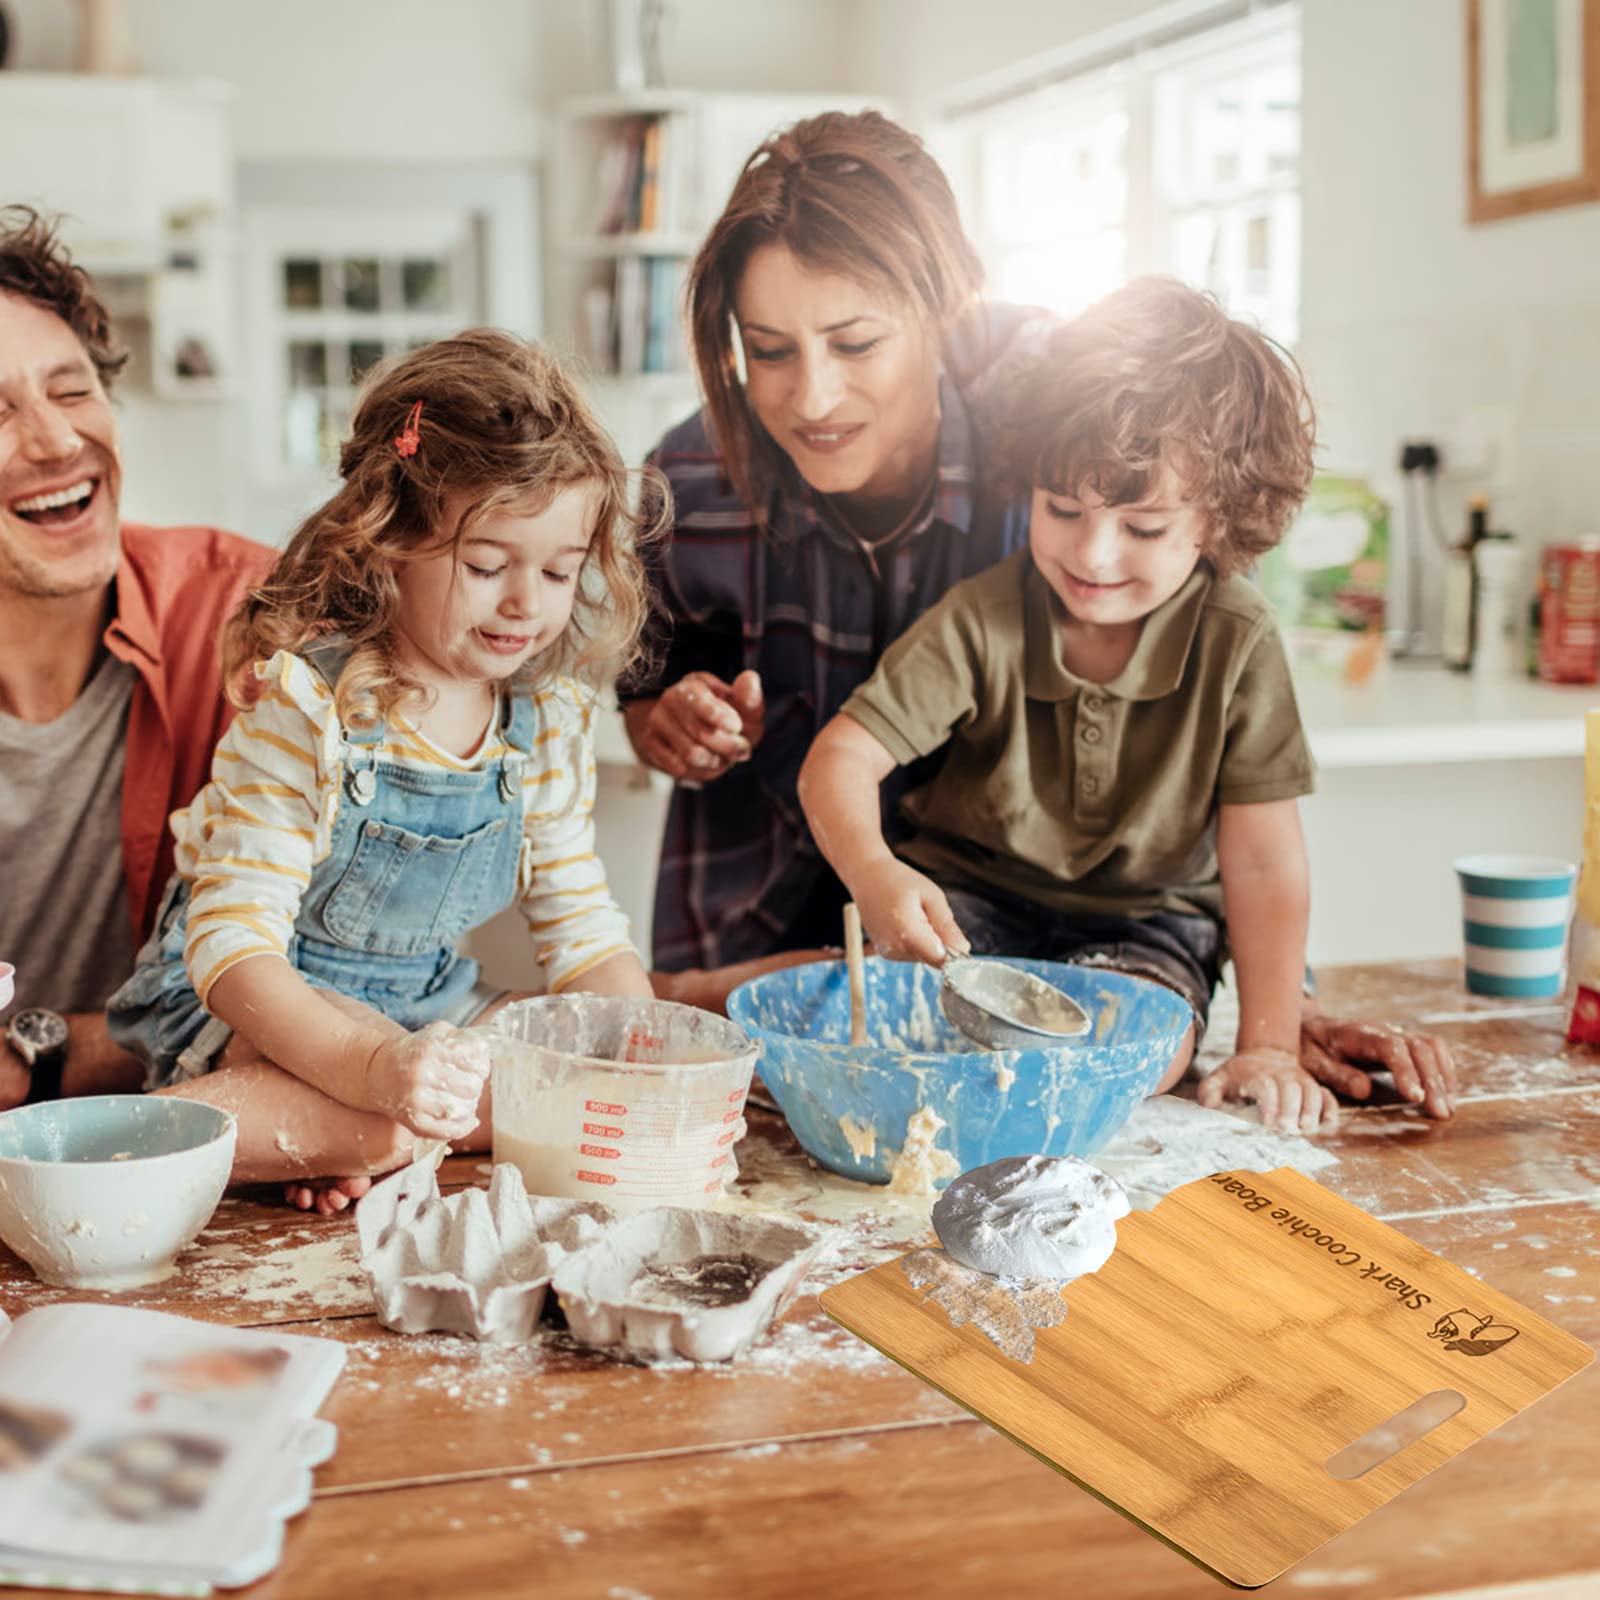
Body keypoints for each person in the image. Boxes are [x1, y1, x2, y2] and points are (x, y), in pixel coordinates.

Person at [798, 279, 1457, 1131]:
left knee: (1138, 1053)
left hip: (1147, 929)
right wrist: (876, 872)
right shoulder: (984, 614)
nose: (1093, 553)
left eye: (1142, 528)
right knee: (897, 1022)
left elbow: (1261, 863)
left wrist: (1268, 1043)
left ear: (1221, 520)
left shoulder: (1237, 639)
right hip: (970, 911)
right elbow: (840, 761)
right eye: (1061, 508)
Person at [107, 331, 660, 1211]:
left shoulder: (544, 725)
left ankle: (324, 1144)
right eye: (487, 566)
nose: (526, 603)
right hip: (254, 1010)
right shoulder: (310, 709)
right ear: (386, 541)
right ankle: (126, 1144)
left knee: (552, 1074)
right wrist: (367, 1066)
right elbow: (232, 948)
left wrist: (647, 1049)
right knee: (398, 1119)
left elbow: (580, 923)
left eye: (559, 571)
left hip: (422, 1015)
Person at [620, 110, 1037, 977]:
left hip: (1004, 950)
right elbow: (645, 693)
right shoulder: (691, 475)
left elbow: (1208, 689)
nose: (811, 399)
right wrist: (673, 726)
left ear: (944, 306)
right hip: (737, 951)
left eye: (856, 344)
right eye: (769, 351)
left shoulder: (1056, 436)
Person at [0, 206, 272, 1112]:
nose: (52, 441)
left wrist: (38, 1057)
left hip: (178, 1155)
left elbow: (319, 976)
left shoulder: (246, 618)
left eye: (72, 392)